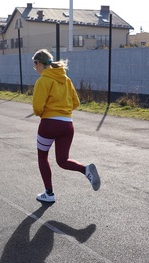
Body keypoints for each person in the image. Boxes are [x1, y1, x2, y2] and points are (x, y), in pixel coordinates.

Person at [31, 49, 101, 203]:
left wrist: (46, 113)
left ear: (39, 63)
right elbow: (76, 102)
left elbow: (37, 107)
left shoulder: (43, 80)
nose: (35, 68)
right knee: (62, 160)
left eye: (34, 65)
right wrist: (63, 111)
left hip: (49, 124)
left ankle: (49, 194)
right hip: (67, 124)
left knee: (43, 157)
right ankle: (85, 169)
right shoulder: (66, 79)